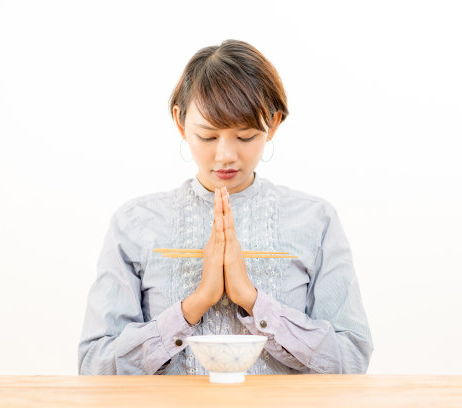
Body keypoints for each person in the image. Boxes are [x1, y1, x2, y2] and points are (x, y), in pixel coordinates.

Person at [78, 39, 373, 375]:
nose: (225, 156)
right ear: (180, 122)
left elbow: (351, 358)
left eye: (245, 136)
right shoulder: (135, 223)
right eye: (207, 136)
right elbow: (94, 365)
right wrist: (196, 303)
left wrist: (252, 299)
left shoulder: (316, 220)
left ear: (273, 124)